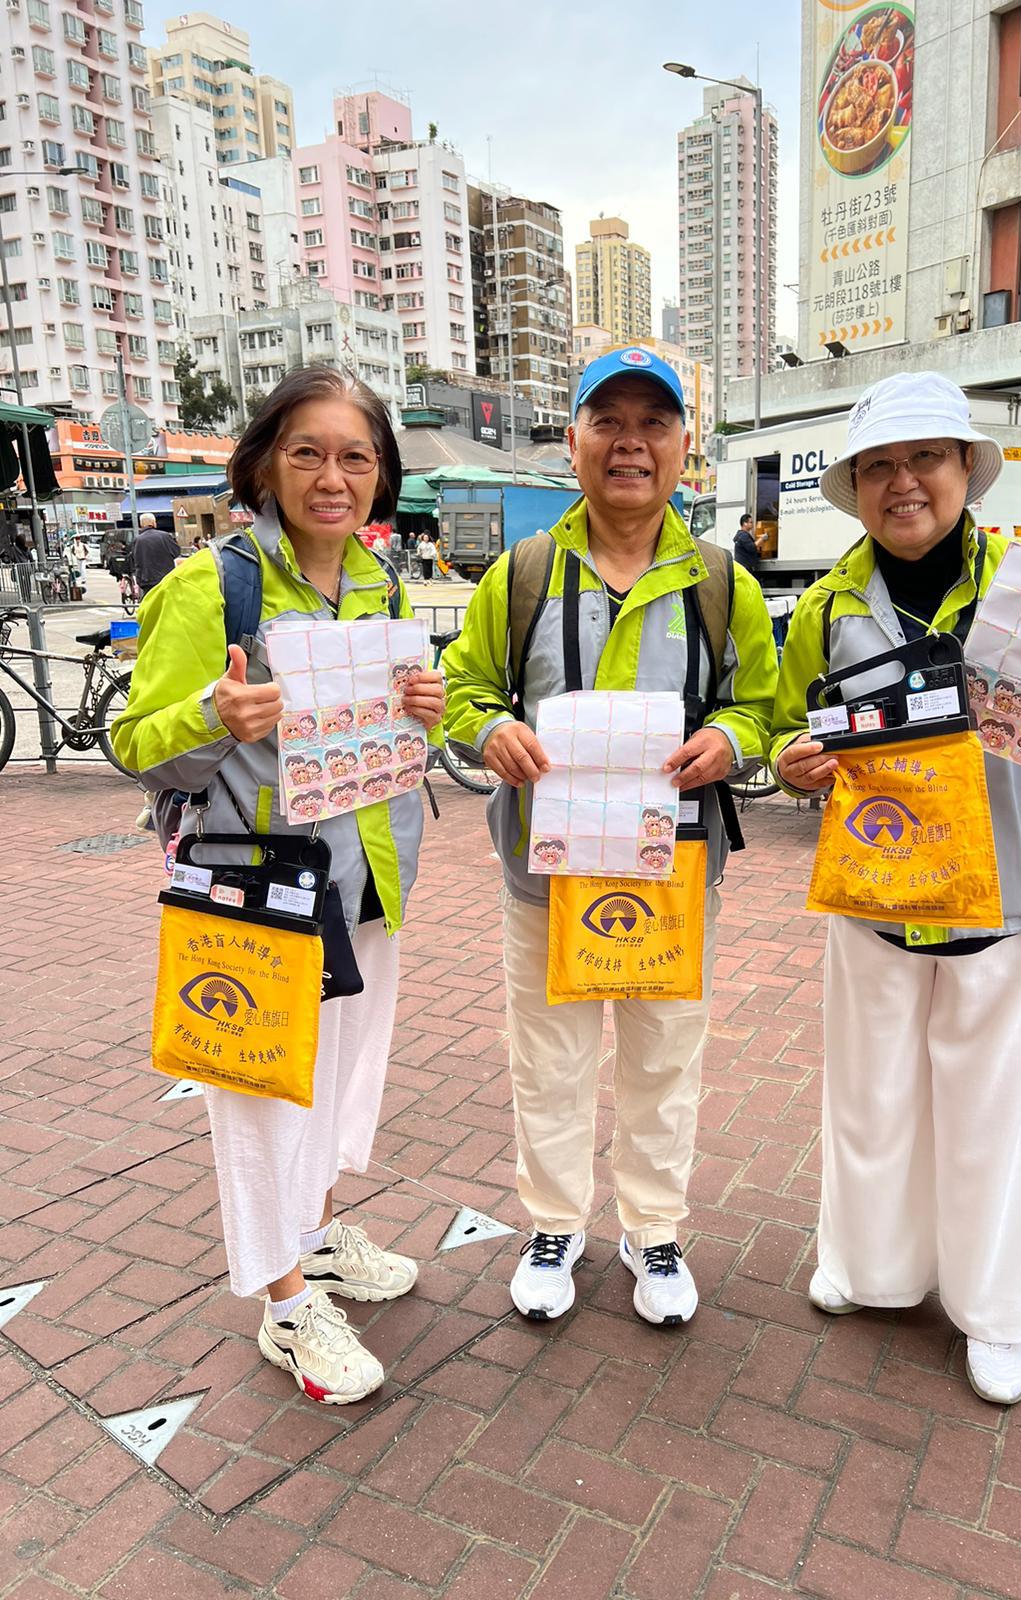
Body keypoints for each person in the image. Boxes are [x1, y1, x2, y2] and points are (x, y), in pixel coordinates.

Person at [769, 370, 1021, 1405]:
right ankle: (871, 1270)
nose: (901, 482)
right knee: (870, 1099)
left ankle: (996, 1315)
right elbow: (786, 732)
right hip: (874, 900)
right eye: (878, 466)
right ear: (857, 487)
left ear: (967, 471)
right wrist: (790, 763)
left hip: (1010, 898)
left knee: (998, 1112)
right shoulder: (825, 608)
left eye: (924, 459)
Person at [112, 366, 445, 1406]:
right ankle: (287, 1302)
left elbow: (382, 732)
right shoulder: (215, 586)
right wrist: (219, 717)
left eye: (357, 455)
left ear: (381, 474)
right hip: (261, 895)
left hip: (369, 882)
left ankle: (316, 1233)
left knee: (342, 1079)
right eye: (308, 451)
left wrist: (421, 704)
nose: (333, 476)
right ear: (264, 464)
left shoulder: (381, 586)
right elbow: (131, 743)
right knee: (261, 1095)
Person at [442, 346, 777, 1327]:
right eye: (609, 421)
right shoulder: (525, 574)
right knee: (548, 1057)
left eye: (654, 423)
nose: (631, 442)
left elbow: (761, 703)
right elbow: (464, 688)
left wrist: (731, 739)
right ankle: (554, 1223)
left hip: (673, 872)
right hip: (544, 876)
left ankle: (655, 1229)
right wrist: (487, 728)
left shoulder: (723, 582)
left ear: (684, 446)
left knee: (664, 1055)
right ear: (575, 441)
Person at [131, 512, 180, 594]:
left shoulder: (138, 540)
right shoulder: (165, 536)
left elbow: (135, 559)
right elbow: (176, 552)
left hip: (146, 579)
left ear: (141, 524)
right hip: (165, 577)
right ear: (154, 523)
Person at [732, 512, 764, 578]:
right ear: (745, 523)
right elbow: (752, 547)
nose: (752, 524)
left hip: (743, 567)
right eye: (751, 522)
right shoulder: (743, 536)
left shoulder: (741, 535)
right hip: (745, 567)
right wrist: (762, 538)